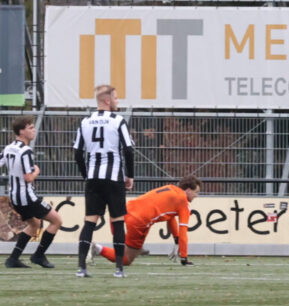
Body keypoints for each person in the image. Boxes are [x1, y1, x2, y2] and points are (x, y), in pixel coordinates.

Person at [73, 85, 135, 278]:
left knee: (89, 221)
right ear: (107, 100)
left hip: (93, 178)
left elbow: (77, 153)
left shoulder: (85, 121)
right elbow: (128, 150)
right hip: (113, 177)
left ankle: (81, 268)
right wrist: (130, 175)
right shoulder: (118, 120)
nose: (118, 101)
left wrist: (86, 175)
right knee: (118, 221)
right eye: (116, 98)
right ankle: (119, 269)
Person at [90, 175, 201, 268]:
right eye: (196, 192)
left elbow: (170, 218)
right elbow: (183, 231)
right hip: (139, 221)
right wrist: (184, 257)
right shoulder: (183, 202)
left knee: (127, 247)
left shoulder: (171, 188)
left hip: (123, 209)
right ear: (188, 190)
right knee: (126, 259)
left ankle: (137, 249)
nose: (196, 195)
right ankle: (97, 249)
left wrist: (176, 239)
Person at [1, 116, 62, 269]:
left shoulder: (8, 148)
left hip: (14, 197)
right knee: (57, 221)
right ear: (21, 131)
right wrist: (36, 171)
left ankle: (13, 259)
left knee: (34, 224)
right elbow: (28, 178)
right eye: (30, 128)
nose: (34, 130)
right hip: (27, 197)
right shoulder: (26, 151)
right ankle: (38, 255)